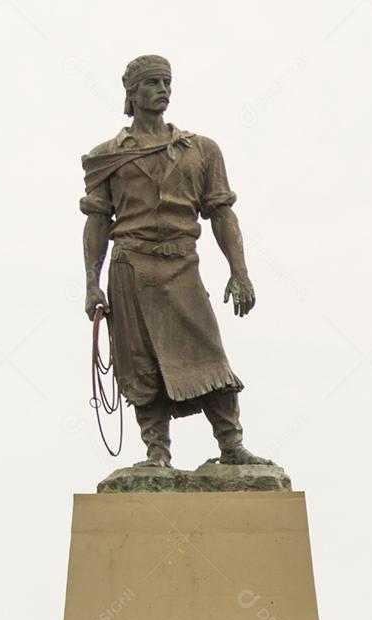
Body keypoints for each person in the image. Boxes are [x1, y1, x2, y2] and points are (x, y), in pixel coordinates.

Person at [79, 54, 271, 468]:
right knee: (140, 361)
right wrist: (91, 282)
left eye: (167, 82)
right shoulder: (108, 156)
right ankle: (157, 453)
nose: (162, 90)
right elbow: (97, 220)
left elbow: (221, 212)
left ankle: (230, 444)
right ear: (131, 93)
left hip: (182, 265)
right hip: (130, 269)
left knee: (209, 353)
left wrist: (241, 272)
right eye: (152, 83)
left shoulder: (200, 150)